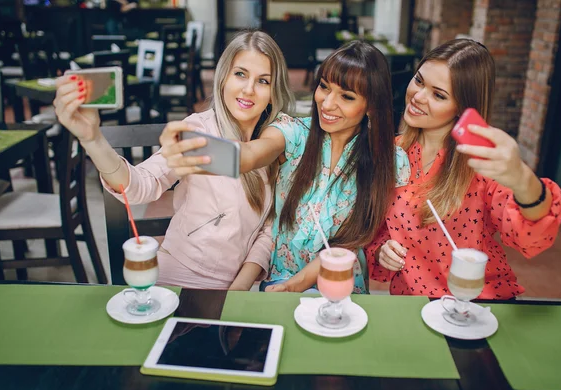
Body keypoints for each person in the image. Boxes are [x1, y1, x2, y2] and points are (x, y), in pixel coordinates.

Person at [161, 40, 411, 294]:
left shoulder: (390, 161)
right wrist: (193, 147)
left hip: (341, 287)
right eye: (324, 87)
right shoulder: (293, 132)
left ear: (370, 106)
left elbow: (357, 240)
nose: (327, 104)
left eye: (346, 96)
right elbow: (249, 155)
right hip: (280, 281)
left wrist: (298, 285)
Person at [53, 31, 294, 290]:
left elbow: (270, 229)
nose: (248, 89)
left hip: (240, 286)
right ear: (223, 77)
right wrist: (93, 140)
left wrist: (238, 289)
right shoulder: (197, 131)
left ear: (273, 90)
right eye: (240, 74)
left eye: (263, 81)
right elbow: (140, 185)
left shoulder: (275, 141)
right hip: (179, 274)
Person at [364, 39, 561, 299]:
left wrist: (522, 179)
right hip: (413, 305)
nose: (418, 96)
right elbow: (377, 229)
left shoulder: (479, 161)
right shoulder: (390, 153)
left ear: (463, 108)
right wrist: (381, 250)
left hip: (478, 305)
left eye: (438, 95)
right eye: (419, 80)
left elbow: (530, 237)